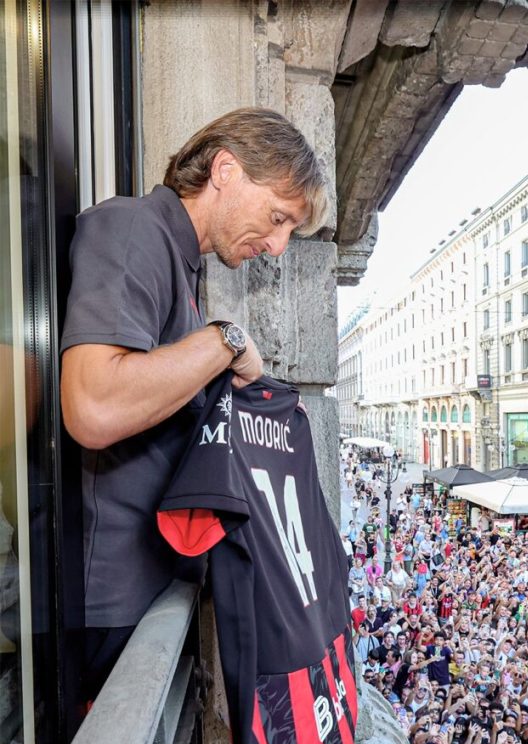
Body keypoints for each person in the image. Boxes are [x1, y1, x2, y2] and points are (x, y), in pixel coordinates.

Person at [60, 106, 329, 697]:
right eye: (278, 217)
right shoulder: (133, 228)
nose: (278, 245)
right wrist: (224, 339)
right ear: (225, 170)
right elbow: (94, 405)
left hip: (144, 597)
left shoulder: (182, 265)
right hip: (105, 606)